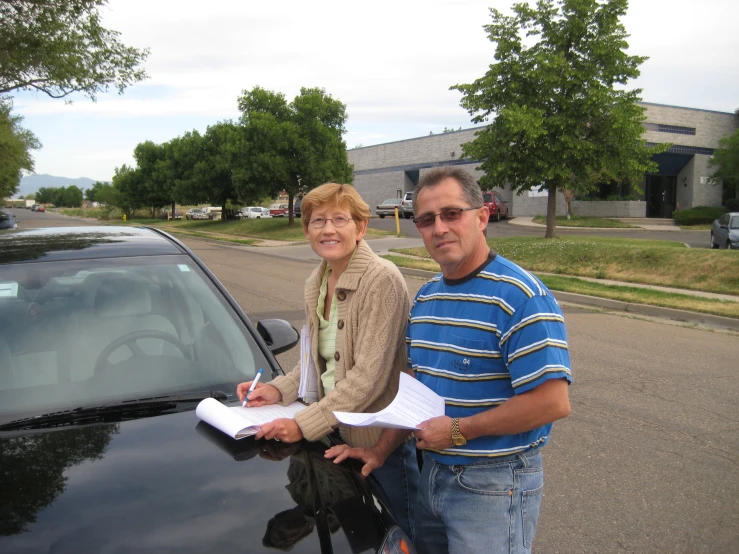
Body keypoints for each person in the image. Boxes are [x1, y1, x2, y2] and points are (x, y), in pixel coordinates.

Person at [326, 166, 572, 554]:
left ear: (483, 216)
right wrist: (380, 450)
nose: (439, 228)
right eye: (426, 220)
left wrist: (457, 431)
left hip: (493, 484)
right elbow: (417, 390)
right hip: (432, 475)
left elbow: (552, 402)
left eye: (451, 214)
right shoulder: (426, 299)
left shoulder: (521, 297)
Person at [236, 182, 418, 541]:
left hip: (380, 444)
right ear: (307, 230)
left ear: (361, 227)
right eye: (318, 220)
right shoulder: (315, 282)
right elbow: (313, 363)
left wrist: (304, 424)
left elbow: (370, 376)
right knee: (352, 538)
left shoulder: (381, 279)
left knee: (396, 537)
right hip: (333, 438)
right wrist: (275, 390)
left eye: (340, 219)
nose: (328, 229)